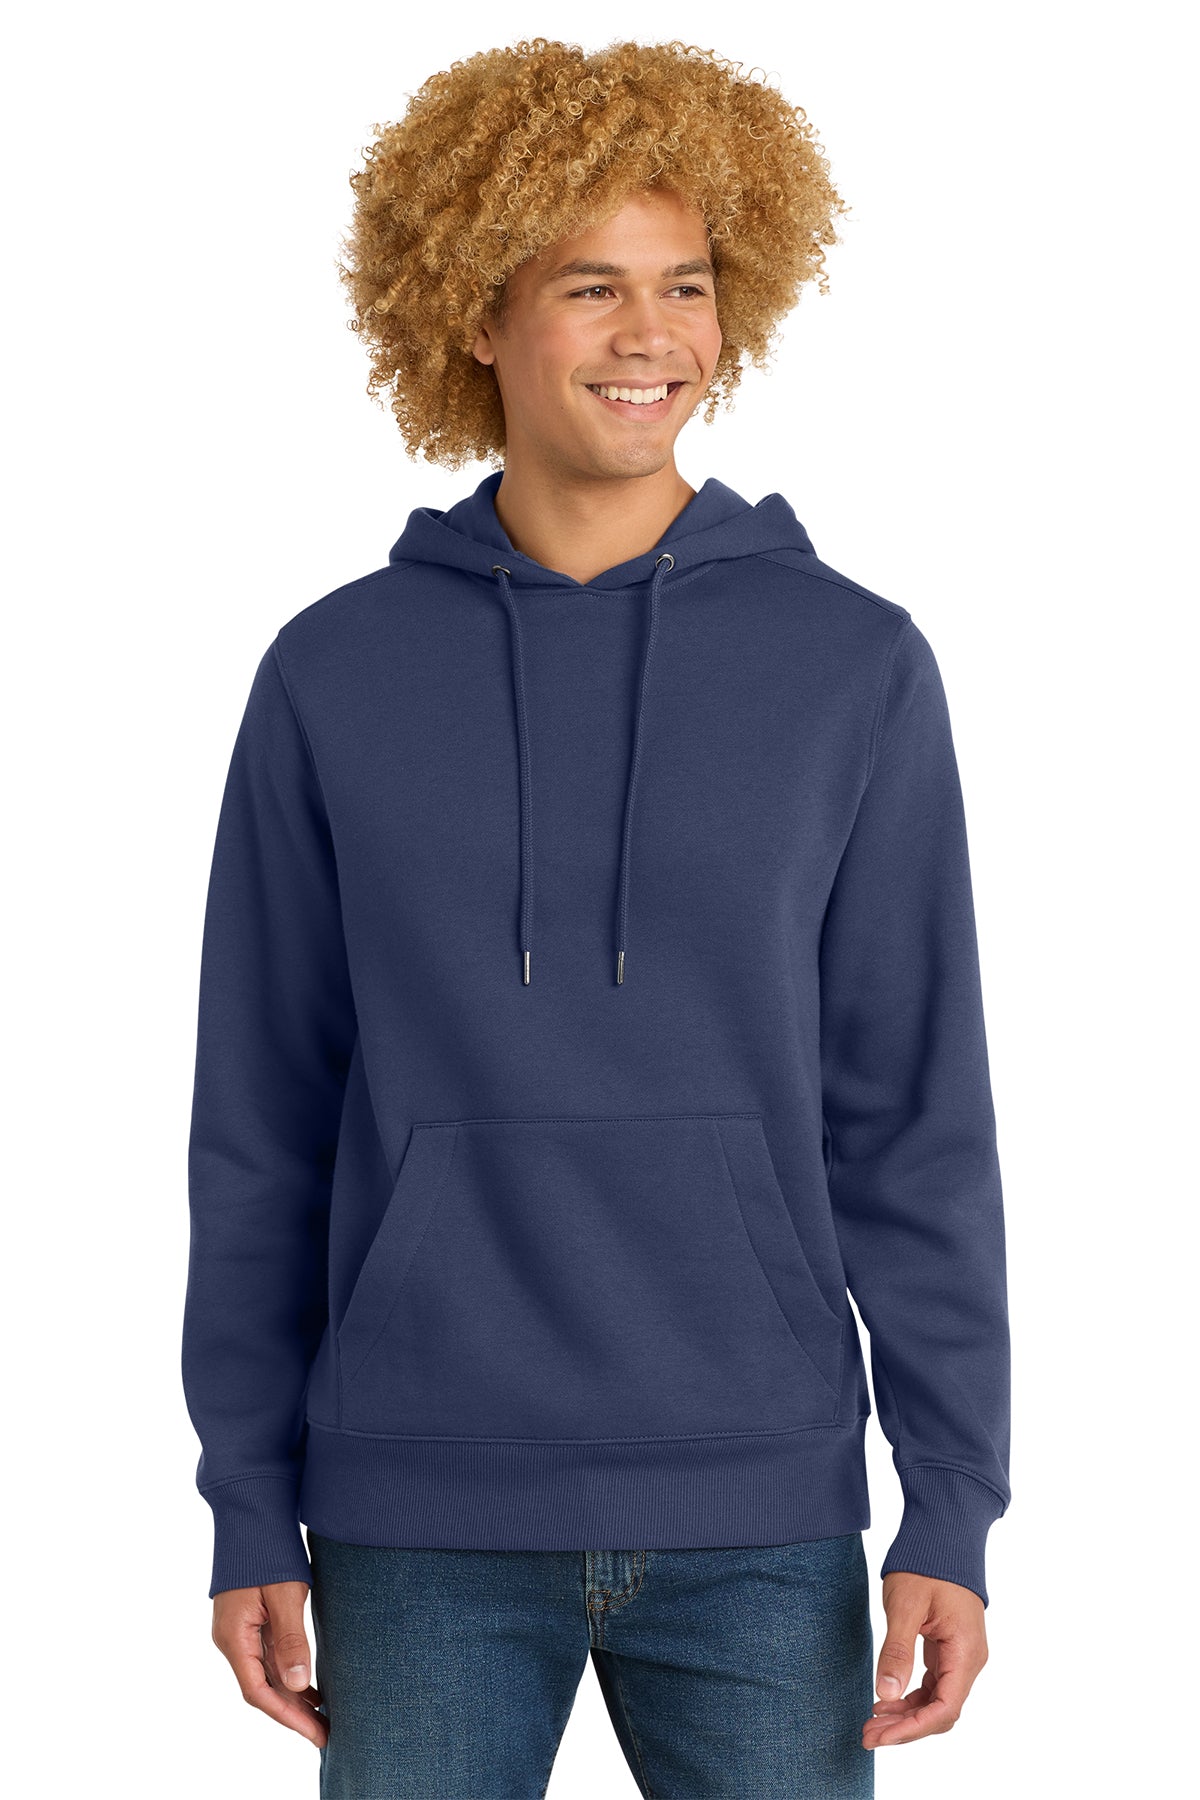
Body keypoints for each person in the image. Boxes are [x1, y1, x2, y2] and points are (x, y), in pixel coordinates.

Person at [182, 36, 1012, 1798]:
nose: (653, 337)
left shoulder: (851, 665)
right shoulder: (334, 672)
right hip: (417, 1508)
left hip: (761, 1509)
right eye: (591, 287)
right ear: (475, 315)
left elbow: (914, 1116)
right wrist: (246, 1493)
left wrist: (952, 1495)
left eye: (686, 285)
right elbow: (258, 1124)